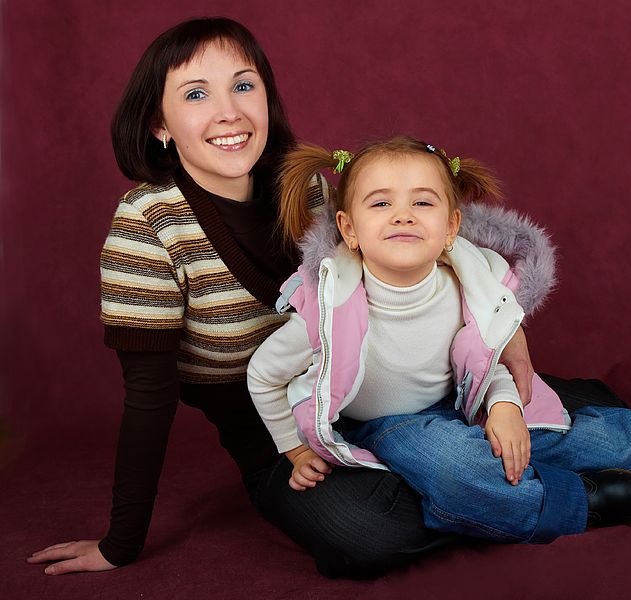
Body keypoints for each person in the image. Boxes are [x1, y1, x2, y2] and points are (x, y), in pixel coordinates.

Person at [26, 17, 579, 579]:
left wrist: (506, 325)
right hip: (278, 434)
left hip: (385, 383)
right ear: (159, 125)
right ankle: (483, 487)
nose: (229, 112)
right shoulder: (148, 226)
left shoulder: (309, 189)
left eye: (244, 86)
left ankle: (492, 465)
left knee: (541, 424)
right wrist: (121, 543)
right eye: (196, 94)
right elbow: (149, 398)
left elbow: (425, 241)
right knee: (366, 539)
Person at [247, 136, 631, 543]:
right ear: (348, 230)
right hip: (385, 423)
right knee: (450, 466)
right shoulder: (326, 309)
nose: (403, 215)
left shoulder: (464, 285)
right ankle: (573, 502)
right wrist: (291, 447)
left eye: (423, 201)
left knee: (577, 437)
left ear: (450, 229)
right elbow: (264, 374)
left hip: (462, 401)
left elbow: (483, 356)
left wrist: (503, 404)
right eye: (380, 203)